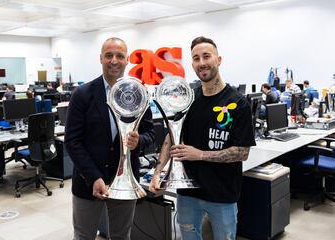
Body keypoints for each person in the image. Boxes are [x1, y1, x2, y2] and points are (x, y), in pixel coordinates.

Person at [149, 36, 256, 240]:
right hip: (187, 193)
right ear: (192, 64)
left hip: (222, 194)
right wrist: (158, 171)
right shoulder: (188, 98)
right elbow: (171, 137)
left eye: (206, 56)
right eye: (196, 59)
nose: (201, 63)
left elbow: (243, 152)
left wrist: (200, 155)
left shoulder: (237, 102)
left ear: (219, 59)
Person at [65, 37, 155, 240]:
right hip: (89, 180)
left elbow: (151, 133)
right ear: (101, 59)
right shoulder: (82, 94)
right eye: (109, 55)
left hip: (125, 182)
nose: (114, 60)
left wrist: (139, 141)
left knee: (121, 236)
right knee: (83, 236)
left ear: (127, 60)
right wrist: (93, 177)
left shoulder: (139, 93)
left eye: (119, 56)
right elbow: (72, 141)